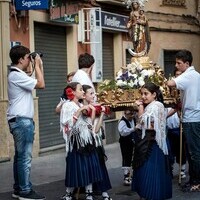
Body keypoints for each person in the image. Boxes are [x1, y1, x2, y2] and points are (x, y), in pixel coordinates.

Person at [7, 45, 45, 200]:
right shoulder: (16, 75)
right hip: (22, 121)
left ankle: (18, 188)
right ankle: (25, 190)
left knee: (20, 156)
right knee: (24, 157)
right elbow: (41, 84)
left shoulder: (17, 74)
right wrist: (37, 65)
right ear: (21, 59)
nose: (30, 59)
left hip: (19, 120)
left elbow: (35, 78)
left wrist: (38, 64)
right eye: (28, 57)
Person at [60, 82, 103, 200]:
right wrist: (79, 111)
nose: (83, 91)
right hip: (76, 141)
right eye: (80, 89)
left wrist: (93, 111)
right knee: (75, 167)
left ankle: (89, 193)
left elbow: (89, 123)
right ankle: (68, 194)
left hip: (87, 140)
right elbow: (67, 125)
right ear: (72, 92)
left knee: (88, 167)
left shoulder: (80, 104)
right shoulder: (68, 106)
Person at [167, 50, 200, 192]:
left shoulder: (189, 75)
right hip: (192, 117)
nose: (176, 65)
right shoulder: (195, 75)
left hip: (192, 118)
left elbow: (170, 83)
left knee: (194, 152)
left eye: (179, 63)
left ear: (187, 64)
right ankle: (193, 179)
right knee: (192, 152)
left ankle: (197, 181)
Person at [132, 82, 172, 200]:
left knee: (150, 173)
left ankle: (151, 194)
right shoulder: (150, 106)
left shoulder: (156, 105)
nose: (143, 96)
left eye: (146, 94)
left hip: (152, 145)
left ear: (154, 94)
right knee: (144, 172)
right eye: (142, 94)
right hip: (146, 143)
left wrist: (140, 109)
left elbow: (147, 125)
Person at [82, 84, 112, 200]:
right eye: (91, 93)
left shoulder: (95, 107)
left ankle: (104, 192)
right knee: (89, 168)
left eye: (94, 93)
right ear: (84, 96)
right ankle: (89, 193)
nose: (94, 96)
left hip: (97, 142)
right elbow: (95, 128)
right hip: (87, 142)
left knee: (101, 166)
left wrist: (102, 113)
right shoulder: (83, 109)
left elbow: (97, 129)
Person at [166, 69, 187, 179]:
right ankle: (170, 168)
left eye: (181, 75)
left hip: (179, 127)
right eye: (177, 75)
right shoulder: (167, 91)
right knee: (169, 151)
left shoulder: (183, 91)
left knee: (181, 149)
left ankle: (182, 168)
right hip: (168, 128)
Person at [118, 109, 136, 186]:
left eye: (132, 114)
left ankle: (132, 175)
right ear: (125, 113)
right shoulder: (122, 121)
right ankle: (126, 177)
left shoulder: (133, 119)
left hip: (133, 141)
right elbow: (123, 132)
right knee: (126, 158)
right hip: (125, 142)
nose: (131, 116)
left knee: (133, 158)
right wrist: (133, 129)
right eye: (129, 114)